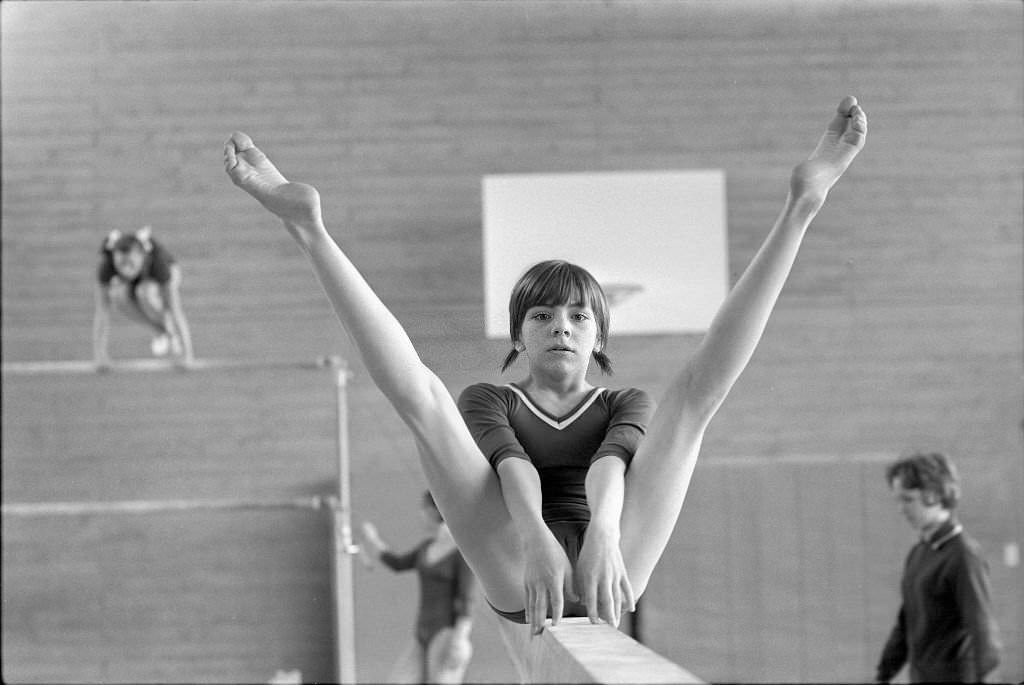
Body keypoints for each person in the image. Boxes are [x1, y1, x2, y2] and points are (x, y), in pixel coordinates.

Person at [224, 96, 867, 646]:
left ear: (598, 339)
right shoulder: (490, 399)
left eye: (579, 317)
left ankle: (800, 208)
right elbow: (514, 468)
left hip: (612, 559)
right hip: (516, 557)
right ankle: (310, 230)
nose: (561, 325)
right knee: (423, 400)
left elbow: (611, 468)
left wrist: (605, 536)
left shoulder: (624, 403)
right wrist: (535, 539)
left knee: (696, 398)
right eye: (542, 315)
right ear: (519, 337)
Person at [875, 452, 1002, 683]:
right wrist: (883, 674)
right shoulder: (918, 554)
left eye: (907, 499)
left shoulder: (963, 556)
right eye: (897, 500)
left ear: (933, 494)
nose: (901, 509)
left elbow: (982, 629)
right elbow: (906, 624)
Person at [361, 491, 476, 684]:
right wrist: (373, 541)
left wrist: (459, 638)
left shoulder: (460, 553)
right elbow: (397, 563)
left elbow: (466, 598)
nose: (421, 514)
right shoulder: (426, 548)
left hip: (446, 633)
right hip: (422, 632)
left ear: (434, 511)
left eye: (424, 509)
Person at [93, 225, 194, 370]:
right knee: (117, 296)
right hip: (139, 279)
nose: (126, 270)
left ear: (142, 256)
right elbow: (102, 311)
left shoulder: (158, 264)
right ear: (114, 258)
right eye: (121, 264)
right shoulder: (107, 265)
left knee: (145, 293)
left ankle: (171, 333)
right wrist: (100, 356)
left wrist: (187, 356)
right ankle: (161, 331)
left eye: (131, 264)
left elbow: (175, 309)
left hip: (166, 272)